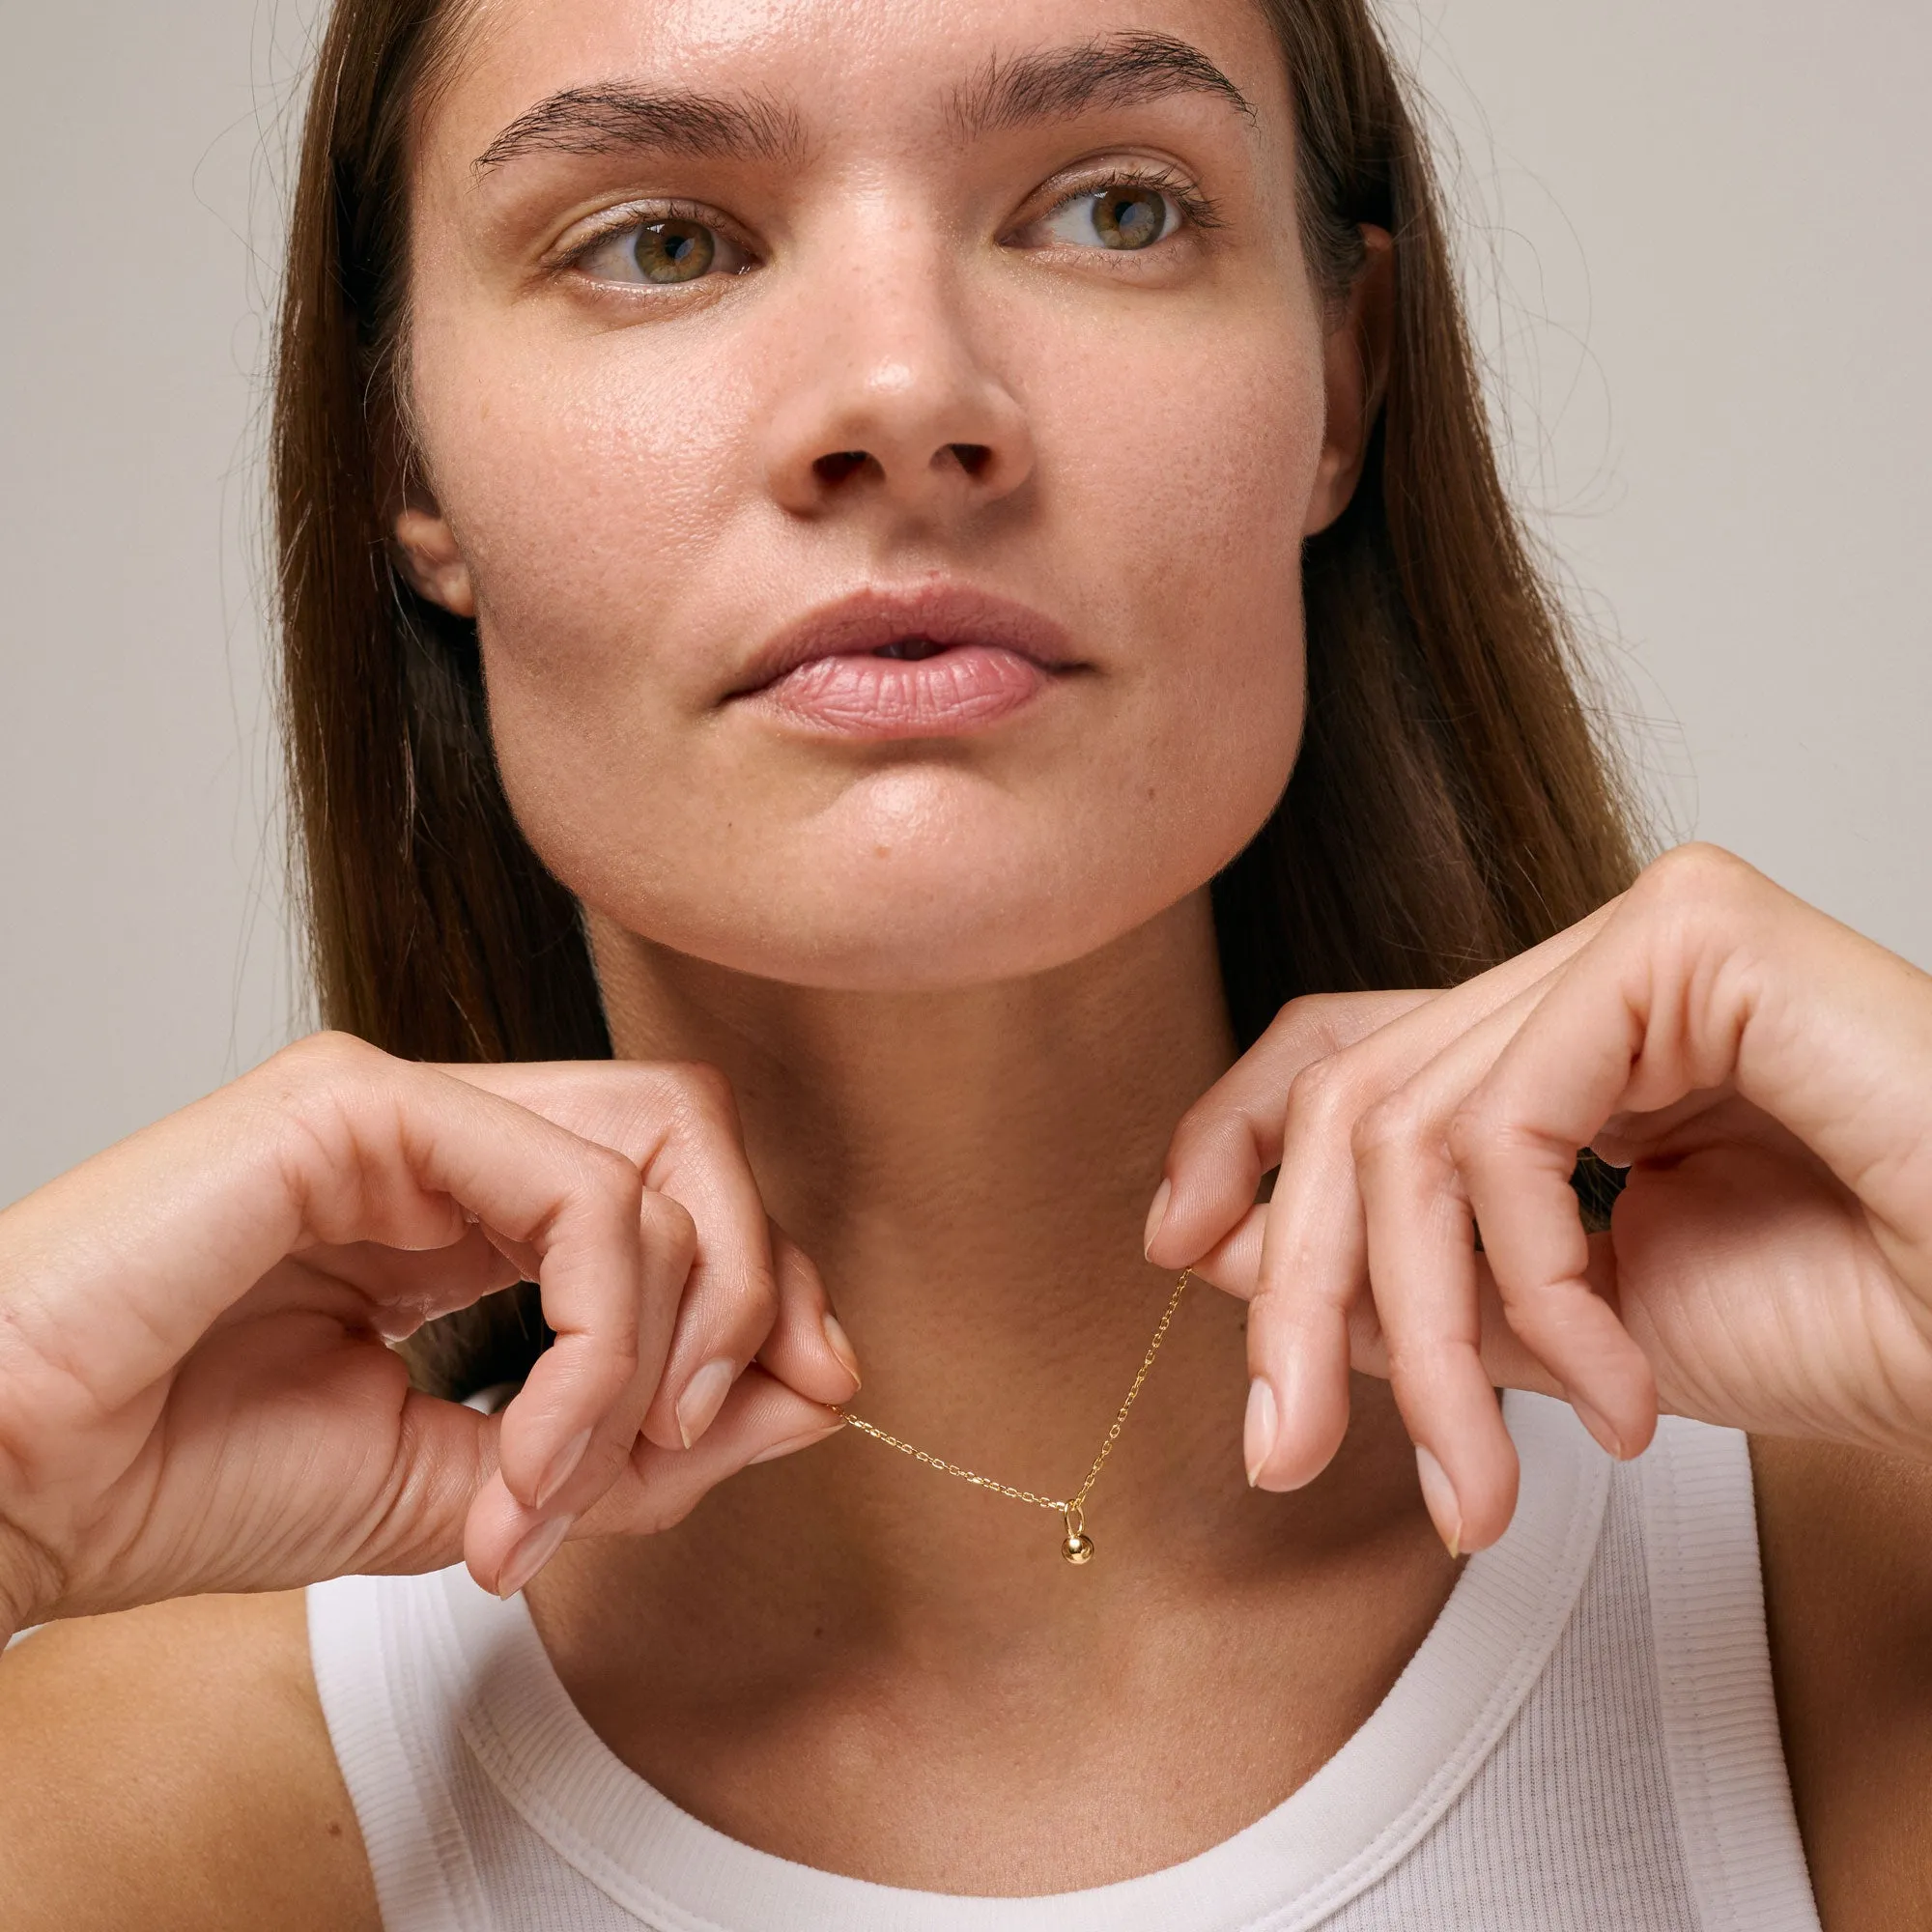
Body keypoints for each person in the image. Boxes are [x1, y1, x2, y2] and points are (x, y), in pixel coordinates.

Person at [1, 0, 1927, 1923]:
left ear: (1342, 385)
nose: (905, 392)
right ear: (403, 450)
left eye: (1108, 209)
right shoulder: (142, 1807)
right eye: (662, 239)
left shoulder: (1852, 1580)